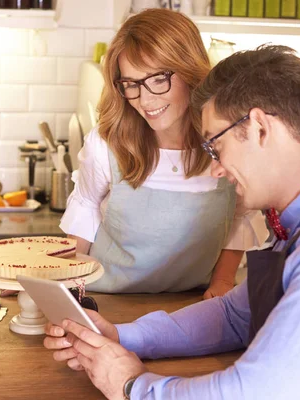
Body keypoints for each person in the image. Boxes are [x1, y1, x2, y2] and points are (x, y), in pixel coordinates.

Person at [44, 45, 300, 399]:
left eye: (215, 145)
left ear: (259, 127)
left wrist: (131, 384)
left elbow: (259, 392)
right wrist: (122, 336)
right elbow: (232, 316)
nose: (215, 167)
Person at [60, 8, 268, 297]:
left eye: (158, 79)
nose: (144, 100)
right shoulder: (107, 142)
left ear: (190, 72)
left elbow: (242, 215)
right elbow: (85, 207)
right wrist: (60, 282)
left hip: (191, 303)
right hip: (107, 298)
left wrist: (221, 282)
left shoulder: (227, 141)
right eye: (131, 84)